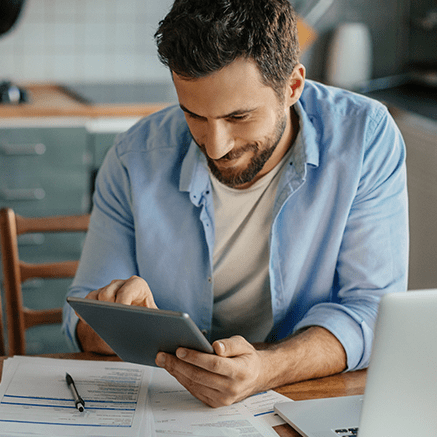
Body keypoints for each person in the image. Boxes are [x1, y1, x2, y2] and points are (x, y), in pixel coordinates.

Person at [63, 0, 409, 408]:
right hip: (171, 403)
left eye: (239, 117)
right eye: (194, 115)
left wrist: (266, 368)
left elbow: (372, 310)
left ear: (292, 87)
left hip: (302, 396)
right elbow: (81, 321)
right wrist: (120, 317)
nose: (215, 146)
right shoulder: (133, 157)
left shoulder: (364, 138)